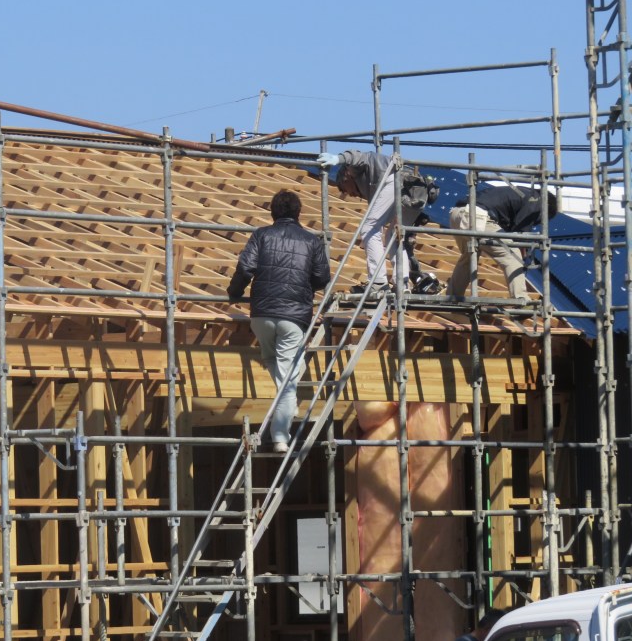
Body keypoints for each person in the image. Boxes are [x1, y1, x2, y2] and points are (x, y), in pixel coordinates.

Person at [227, 190, 331, 453]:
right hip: (293, 317)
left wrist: (234, 293)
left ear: (273, 212)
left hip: (261, 314)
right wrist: (303, 285)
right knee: (288, 382)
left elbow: (245, 268)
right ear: (298, 212)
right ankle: (280, 436)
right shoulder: (311, 241)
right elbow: (322, 277)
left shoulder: (261, 235)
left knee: (273, 360)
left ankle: (287, 407)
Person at [316, 149, 425, 293]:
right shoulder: (368, 187)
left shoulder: (354, 169)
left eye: (344, 189)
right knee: (395, 234)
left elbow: (357, 156)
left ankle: (378, 281)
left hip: (395, 179)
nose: (349, 194)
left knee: (368, 228)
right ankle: (402, 282)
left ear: (346, 177)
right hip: (416, 189)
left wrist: (338, 158)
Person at [446, 185, 558, 301]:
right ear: (547, 208)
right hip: (478, 217)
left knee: (469, 258)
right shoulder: (536, 200)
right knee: (512, 255)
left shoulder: (521, 193)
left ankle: (452, 297)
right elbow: (520, 233)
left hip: (457, 214)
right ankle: (520, 298)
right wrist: (523, 256)